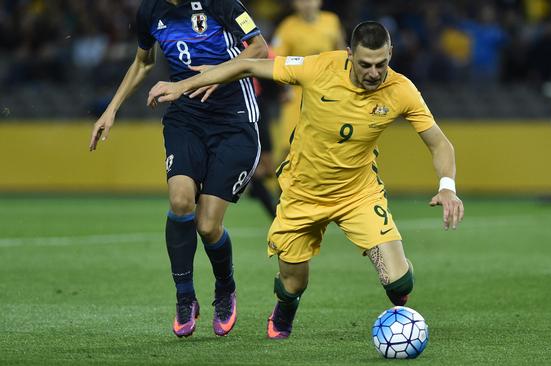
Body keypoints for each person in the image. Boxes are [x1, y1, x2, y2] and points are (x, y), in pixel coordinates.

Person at [147, 21, 464, 339]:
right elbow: (248, 65)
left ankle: (400, 306)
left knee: (398, 283)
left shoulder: (401, 90)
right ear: (349, 54)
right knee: (293, 281)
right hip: (302, 193)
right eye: (365, 64)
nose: (373, 72)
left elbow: (439, 143)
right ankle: (284, 310)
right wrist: (185, 85)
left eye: (381, 64)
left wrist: (447, 188)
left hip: (358, 193)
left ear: (390, 54)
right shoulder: (318, 67)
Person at [88, 0, 268, 338]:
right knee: (181, 200)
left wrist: (219, 72)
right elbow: (143, 62)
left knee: (208, 225)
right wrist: (111, 109)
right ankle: (185, 297)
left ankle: (225, 288)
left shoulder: (221, 3)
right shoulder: (150, 11)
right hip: (186, 118)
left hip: (234, 122)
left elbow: (260, 48)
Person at [272, 0, 346, 157]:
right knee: (289, 147)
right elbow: (276, 60)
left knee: (325, 146)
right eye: (301, 1)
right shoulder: (287, 27)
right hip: (297, 93)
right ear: (294, 4)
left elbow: (343, 54)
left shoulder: (332, 21)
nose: (306, 4)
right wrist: (284, 88)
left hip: (326, 92)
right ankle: (284, 180)